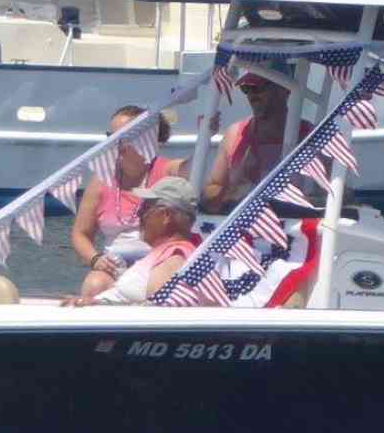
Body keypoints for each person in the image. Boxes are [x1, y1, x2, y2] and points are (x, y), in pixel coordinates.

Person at [71, 106, 186, 300]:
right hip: (115, 266)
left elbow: (198, 166)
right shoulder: (101, 181)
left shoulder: (169, 171)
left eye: (124, 137)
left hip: (158, 263)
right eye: (111, 137)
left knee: (155, 288)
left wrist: (207, 135)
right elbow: (80, 233)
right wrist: (95, 259)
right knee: (94, 285)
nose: (115, 144)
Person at [64, 175, 200, 306]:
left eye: (146, 208)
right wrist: (98, 302)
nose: (139, 214)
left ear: (166, 216)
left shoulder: (175, 259)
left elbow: (158, 313)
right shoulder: (164, 254)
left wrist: (99, 304)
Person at [202, 66, 312, 211]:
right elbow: (211, 189)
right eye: (246, 89)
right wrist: (233, 192)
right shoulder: (235, 134)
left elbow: (334, 194)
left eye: (258, 88)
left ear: (284, 90)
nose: (252, 95)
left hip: (291, 226)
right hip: (242, 227)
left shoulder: (310, 136)